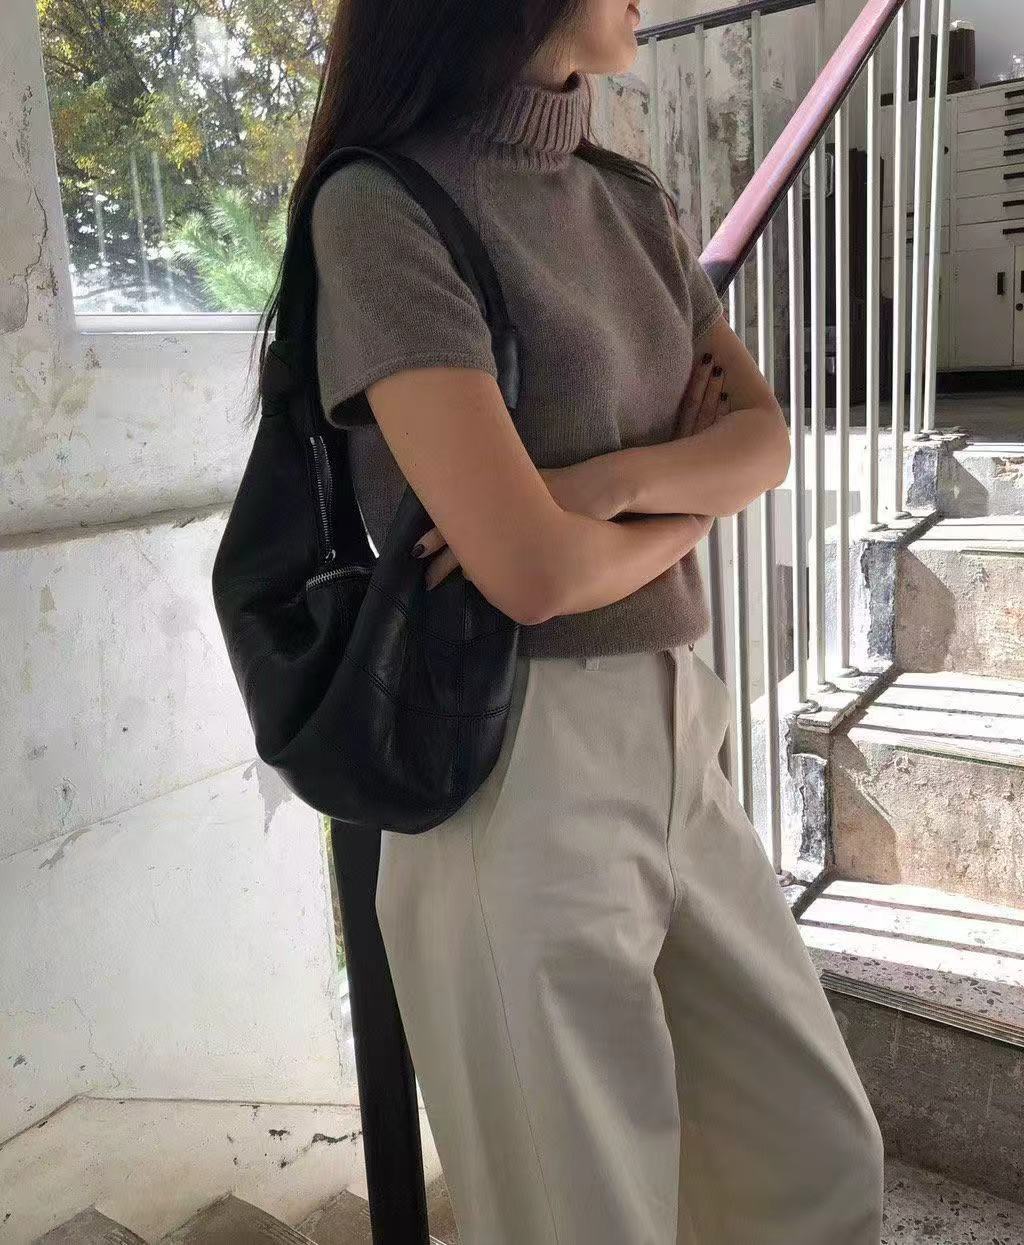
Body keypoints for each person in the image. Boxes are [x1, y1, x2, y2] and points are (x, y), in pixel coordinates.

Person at [278, 1, 886, 1240]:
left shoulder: (629, 201)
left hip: (678, 726)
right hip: (511, 761)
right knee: (581, 1215)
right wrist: (685, 506)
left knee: (812, 1159)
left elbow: (762, 443)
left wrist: (605, 488)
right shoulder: (383, 207)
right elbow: (531, 575)